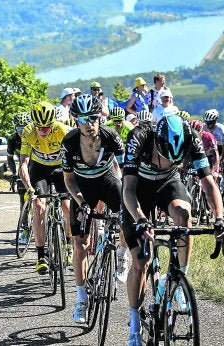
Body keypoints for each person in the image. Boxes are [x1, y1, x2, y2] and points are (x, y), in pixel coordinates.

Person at [122, 114, 224, 345]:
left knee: (183, 216)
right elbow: (128, 188)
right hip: (137, 189)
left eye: (175, 159)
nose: (169, 161)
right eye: (164, 156)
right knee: (140, 262)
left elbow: (209, 183)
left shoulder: (193, 137)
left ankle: (180, 278)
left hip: (167, 185)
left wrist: (219, 218)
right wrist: (140, 218)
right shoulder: (139, 137)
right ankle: (134, 325)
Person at [61, 94, 129, 323]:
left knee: (128, 216)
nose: (88, 124)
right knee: (80, 243)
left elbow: (129, 168)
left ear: (100, 116)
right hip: (83, 187)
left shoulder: (111, 136)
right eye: (82, 119)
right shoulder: (69, 143)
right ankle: (81, 300)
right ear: (75, 120)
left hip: (109, 180)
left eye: (92, 117)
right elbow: (68, 180)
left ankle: (121, 253)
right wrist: (80, 202)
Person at [19, 101, 72, 273]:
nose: (42, 131)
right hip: (39, 169)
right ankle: (41, 255)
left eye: (47, 127)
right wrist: (29, 188)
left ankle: (69, 245)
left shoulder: (62, 130)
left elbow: (75, 158)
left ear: (53, 124)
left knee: (67, 206)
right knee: (39, 206)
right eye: (39, 127)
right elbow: (23, 164)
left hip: (60, 168)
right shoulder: (28, 131)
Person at [7, 112, 31, 244]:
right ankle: (25, 228)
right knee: (23, 199)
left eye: (25, 128)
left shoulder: (34, 136)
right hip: (23, 168)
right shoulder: (12, 139)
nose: (22, 131)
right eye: (19, 129)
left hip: (35, 167)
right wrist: (13, 173)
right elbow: (9, 158)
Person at [203, 108, 224, 189]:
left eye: (210, 123)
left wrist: (223, 159)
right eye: (207, 123)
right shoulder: (204, 127)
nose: (208, 126)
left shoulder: (221, 129)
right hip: (215, 146)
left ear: (215, 121)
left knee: (220, 165)